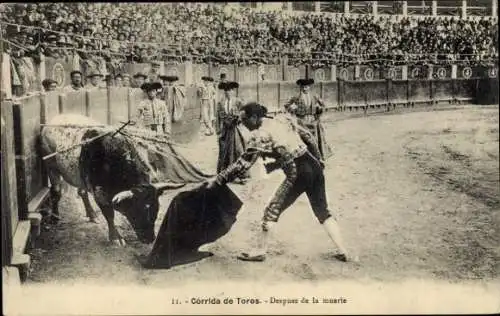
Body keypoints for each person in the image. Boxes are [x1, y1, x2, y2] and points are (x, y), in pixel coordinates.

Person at [206, 102, 355, 263]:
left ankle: (259, 251)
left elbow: (243, 163)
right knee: (322, 210)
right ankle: (343, 250)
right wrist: (320, 159)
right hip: (314, 165)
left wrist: (219, 179)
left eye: (244, 120)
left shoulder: (260, 135)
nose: (242, 124)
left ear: (255, 117)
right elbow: (309, 137)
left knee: (272, 209)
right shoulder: (282, 119)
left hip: (297, 173)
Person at [283, 78, 332, 161]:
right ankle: (304, 157)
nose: (305, 88)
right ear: (300, 87)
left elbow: (323, 105)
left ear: (309, 87)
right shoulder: (296, 97)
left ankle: (317, 156)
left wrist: (319, 111)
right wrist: (293, 109)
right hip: (301, 121)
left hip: (313, 120)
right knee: (303, 139)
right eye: (303, 87)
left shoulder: (315, 96)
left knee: (315, 139)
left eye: (307, 87)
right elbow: (286, 105)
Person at [215, 81, 249, 184]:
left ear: (233, 91)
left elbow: (244, 113)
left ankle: (242, 175)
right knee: (224, 152)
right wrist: (218, 130)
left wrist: (238, 118)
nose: (228, 92)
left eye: (230, 90)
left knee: (238, 151)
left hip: (235, 130)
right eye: (226, 90)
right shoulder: (220, 103)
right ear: (224, 92)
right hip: (225, 131)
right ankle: (225, 174)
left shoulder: (238, 101)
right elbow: (218, 118)